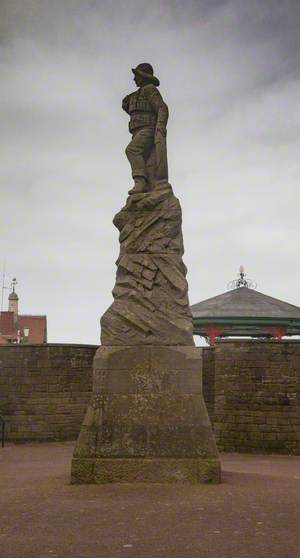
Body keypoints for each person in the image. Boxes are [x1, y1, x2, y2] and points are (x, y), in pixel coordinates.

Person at [122, 63, 169, 194]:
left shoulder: (149, 89)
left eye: (136, 76)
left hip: (148, 129)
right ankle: (148, 187)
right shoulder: (137, 93)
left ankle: (140, 182)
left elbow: (162, 108)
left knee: (132, 150)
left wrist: (160, 127)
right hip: (137, 131)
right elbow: (136, 111)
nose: (134, 79)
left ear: (142, 76)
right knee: (148, 163)